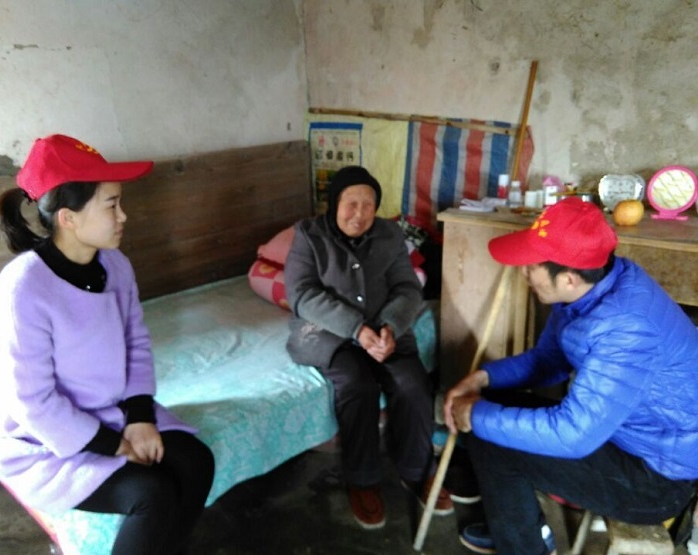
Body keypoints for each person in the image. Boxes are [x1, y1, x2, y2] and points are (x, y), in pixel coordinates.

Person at [0, 134, 215, 555]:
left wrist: (139, 417)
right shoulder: (23, 291)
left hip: (111, 413)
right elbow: (32, 403)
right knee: (151, 493)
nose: (123, 216)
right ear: (68, 218)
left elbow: (136, 342)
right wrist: (113, 445)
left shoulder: (115, 265)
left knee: (196, 461)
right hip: (44, 441)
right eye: (112, 205)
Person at [443, 197, 698, 554]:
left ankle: (523, 543)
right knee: (490, 408)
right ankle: (515, 524)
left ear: (567, 278)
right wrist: (483, 379)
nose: (524, 273)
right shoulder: (592, 287)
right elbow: (548, 362)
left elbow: (573, 435)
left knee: (493, 436)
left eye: (531, 267)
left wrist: (475, 415)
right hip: (620, 435)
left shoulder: (625, 327)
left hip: (655, 478)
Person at [284, 165, 453, 530]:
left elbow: (408, 287)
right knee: (357, 385)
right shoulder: (309, 235)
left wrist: (391, 327)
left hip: (385, 331)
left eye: (368, 205)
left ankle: (417, 470)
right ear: (334, 203)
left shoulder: (389, 234)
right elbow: (302, 294)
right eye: (351, 204)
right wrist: (355, 329)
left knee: (412, 383)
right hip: (329, 332)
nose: (359, 214)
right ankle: (362, 480)